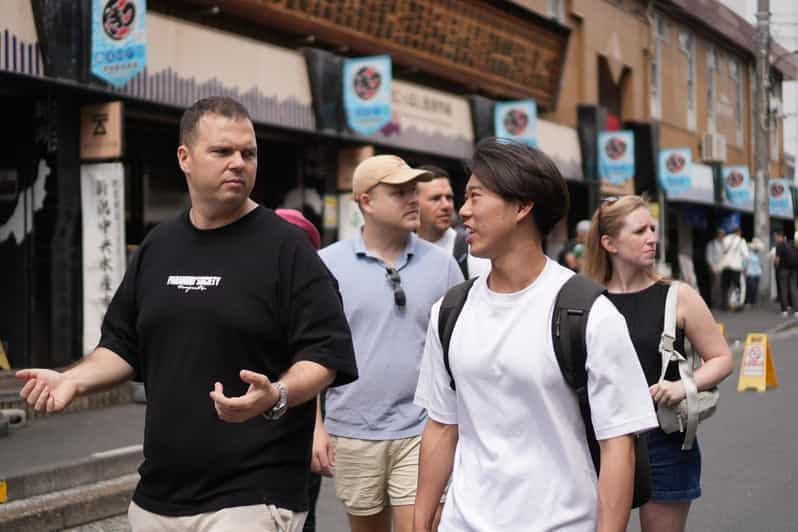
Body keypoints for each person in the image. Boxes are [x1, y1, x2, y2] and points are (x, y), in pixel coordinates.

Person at [17, 97, 358, 532]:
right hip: (158, 497)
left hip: (252, 496)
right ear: (185, 157)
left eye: (248, 153)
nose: (238, 163)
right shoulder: (158, 247)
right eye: (222, 152)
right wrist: (72, 378)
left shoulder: (288, 249)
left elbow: (325, 353)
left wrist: (277, 393)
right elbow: (121, 345)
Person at [413, 138, 658, 532]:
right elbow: (442, 425)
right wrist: (419, 522)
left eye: (475, 197)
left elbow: (618, 447)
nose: (463, 212)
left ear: (522, 206)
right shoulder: (450, 311)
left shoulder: (588, 312)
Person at [317, 155, 463, 532]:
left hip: (424, 428)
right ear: (366, 201)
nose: (413, 198)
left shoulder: (444, 266)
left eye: (414, 189)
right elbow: (309, 352)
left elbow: (459, 353)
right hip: (351, 428)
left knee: (421, 527)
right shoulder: (326, 265)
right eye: (400, 192)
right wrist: (314, 426)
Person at [583, 195, 734, 532]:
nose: (653, 237)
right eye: (640, 231)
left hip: (664, 440)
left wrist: (683, 386)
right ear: (609, 243)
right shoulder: (585, 299)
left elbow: (722, 357)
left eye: (653, 228)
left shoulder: (677, 295)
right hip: (598, 442)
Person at [274, 208, 324, 532]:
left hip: (299, 427)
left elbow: (319, 363)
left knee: (302, 518)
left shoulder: (316, 297)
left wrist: (318, 428)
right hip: (245, 433)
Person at [416, 165, 490, 279]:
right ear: (414, 204)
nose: (446, 205)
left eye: (449, 197)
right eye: (436, 198)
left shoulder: (471, 249)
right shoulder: (402, 250)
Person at [774, 230, 798, 316]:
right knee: (794, 289)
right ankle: (796, 311)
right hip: (794, 270)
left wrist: (776, 267)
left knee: (783, 289)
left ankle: (784, 310)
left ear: (779, 236)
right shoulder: (793, 244)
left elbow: (777, 260)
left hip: (783, 269)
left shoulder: (780, 245)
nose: (775, 238)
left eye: (776, 236)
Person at [704, 229, 725, 309]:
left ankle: (720, 303)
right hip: (714, 268)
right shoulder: (711, 244)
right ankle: (714, 303)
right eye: (721, 234)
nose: (722, 236)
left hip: (723, 268)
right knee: (715, 286)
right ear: (718, 235)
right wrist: (711, 267)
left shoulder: (724, 244)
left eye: (723, 235)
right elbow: (708, 257)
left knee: (722, 287)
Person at [745, 238, 764, 308]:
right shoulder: (749, 254)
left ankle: (753, 301)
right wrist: (745, 271)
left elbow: (760, 264)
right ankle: (748, 301)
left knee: (755, 288)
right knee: (750, 288)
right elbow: (746, 263)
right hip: (750, 273)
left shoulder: (758, 255)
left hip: (757, 273)